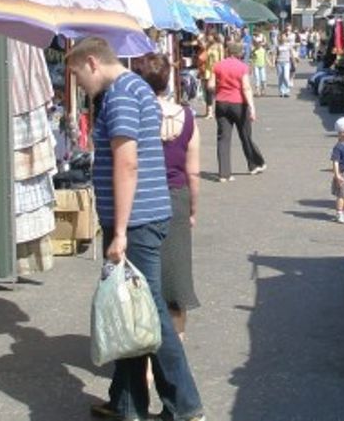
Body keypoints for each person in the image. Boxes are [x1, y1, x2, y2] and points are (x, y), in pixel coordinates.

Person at [65, 38, 205, 421]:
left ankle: (186, 405)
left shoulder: (121, 95)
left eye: (77, 75)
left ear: (91, 63)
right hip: (143, 217)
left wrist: (121, 231)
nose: (77, 85)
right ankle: (127, 403)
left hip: (137, 222)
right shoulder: (134, 88)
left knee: (149, 313)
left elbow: (127, 164)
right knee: (127, 311)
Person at [131, 52, 201, 340]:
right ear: (168, 80)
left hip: (142, 197)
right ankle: (177, 343)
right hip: (177, 196)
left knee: (143, 274)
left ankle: (146, 355)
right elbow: (193, 172)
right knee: (177, 273)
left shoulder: (135, 115)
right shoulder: (186, 117)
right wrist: (193, 208)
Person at [213, 41, 266, 181]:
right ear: (239, 53)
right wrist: (252, 107)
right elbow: (246, 87)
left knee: (223, 138)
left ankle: (224, 174)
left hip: (221, 102)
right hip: (238, 103)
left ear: (227, 51)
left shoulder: (218, 65)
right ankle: (254, 164)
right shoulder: (242, 67)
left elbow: (211, 85)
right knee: (245, 135)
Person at [200, 34, 224, 120]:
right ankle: (209, 111)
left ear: (214, 37)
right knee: (208, 91)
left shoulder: (219, 46)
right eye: (208, 36)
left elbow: (222, 59)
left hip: (216, 70)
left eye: (210, 36)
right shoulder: (208, 46)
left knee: (216, 90)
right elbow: (203, 56)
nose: (209, 38)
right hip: (207, 70)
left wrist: (222, 70)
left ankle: (219, 110)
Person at [273, 30, 299, 98]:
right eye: (281, 36)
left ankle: (287, 91)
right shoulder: (278, 45)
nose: (283, 37)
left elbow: (291, 54)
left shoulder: (289, 45)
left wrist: (294, 62)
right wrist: (273, 62)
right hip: (279, 62)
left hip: (287, 62)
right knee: (280, 77)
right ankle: (281, 92)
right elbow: (275, 54)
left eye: (284, 36)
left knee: (286, 77)